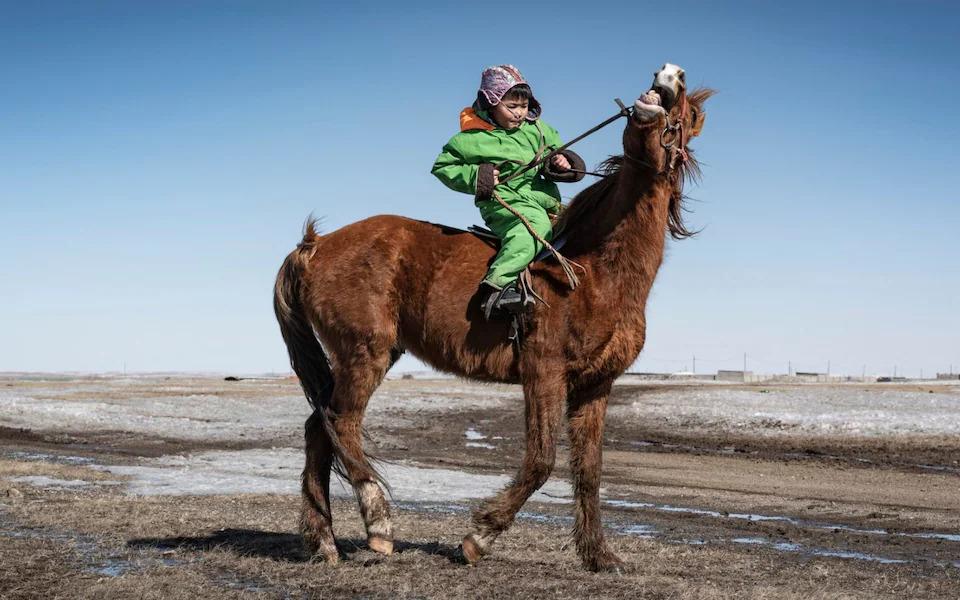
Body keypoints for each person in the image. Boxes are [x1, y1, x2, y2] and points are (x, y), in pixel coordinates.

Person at [431, 65, 585, 318]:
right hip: (504, 203)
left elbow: (554, 150)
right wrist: (478, 176)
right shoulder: (469, 139)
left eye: (523, 106)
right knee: (532, 230)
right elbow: (443, 167)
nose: (519, 113)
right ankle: (499, 286)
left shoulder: (538, 129)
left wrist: (560, 161)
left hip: (546, 202)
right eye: (511, 107)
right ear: (491, 102)